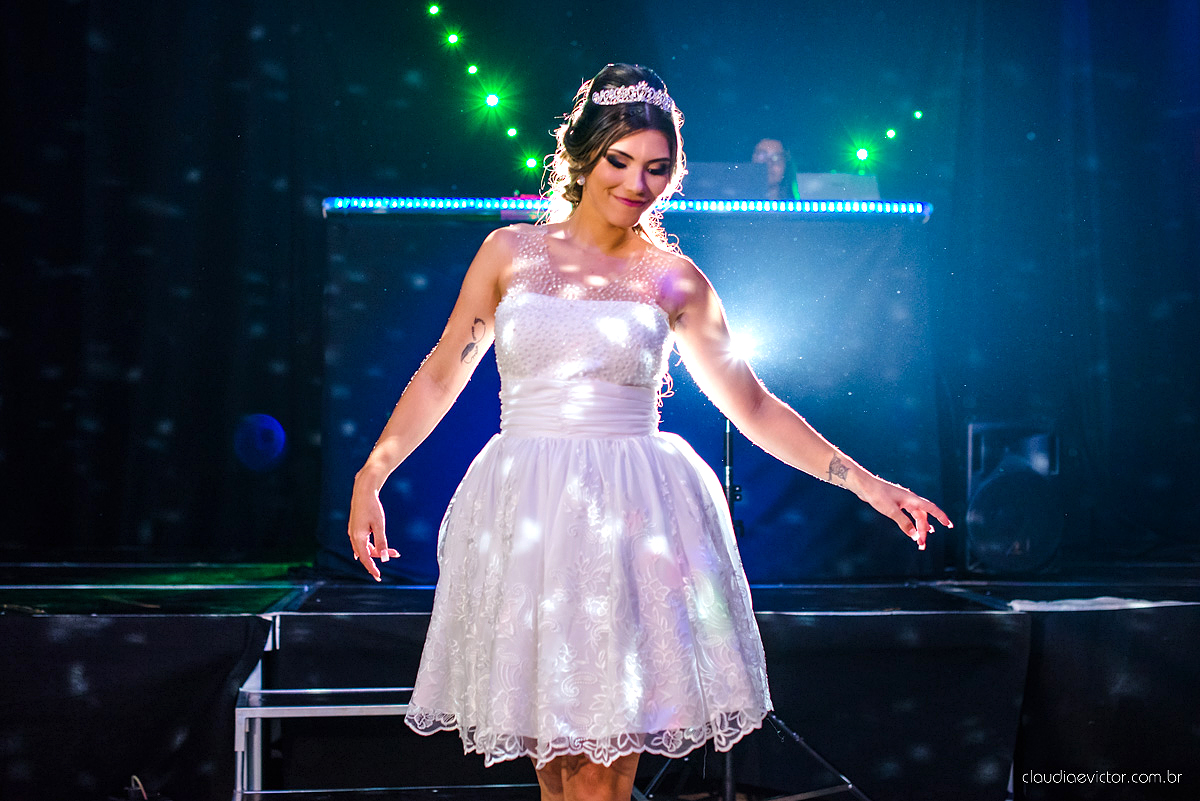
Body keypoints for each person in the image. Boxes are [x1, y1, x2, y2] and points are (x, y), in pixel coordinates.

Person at [347, 63, 951, 801]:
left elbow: (752, 405)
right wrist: (371, 472)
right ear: (581, 157)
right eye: (620, 161)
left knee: (603, 776)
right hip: (528, 519)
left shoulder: (674, 279)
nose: (637, 183)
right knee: (562, 778)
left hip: (627, 523)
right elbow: (444, 370)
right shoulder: (508, 254)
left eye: (657, 168)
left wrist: (865, 481)